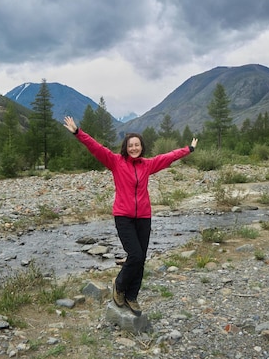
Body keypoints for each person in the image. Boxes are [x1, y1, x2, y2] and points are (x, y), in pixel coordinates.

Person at [63, 116, 198, 316]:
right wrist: (77, 132)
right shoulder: (116, 162)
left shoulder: (148, 165)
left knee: (141, 258)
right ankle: (119, 286)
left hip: (143, 216)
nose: (134, 148)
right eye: (131, 145)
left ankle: (132, 296)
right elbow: (96, 147)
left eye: (137, 145)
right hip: (123, 216)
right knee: (134, 255)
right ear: (125, 148)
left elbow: (168, 157)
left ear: (142, 147)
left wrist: (189, 149)